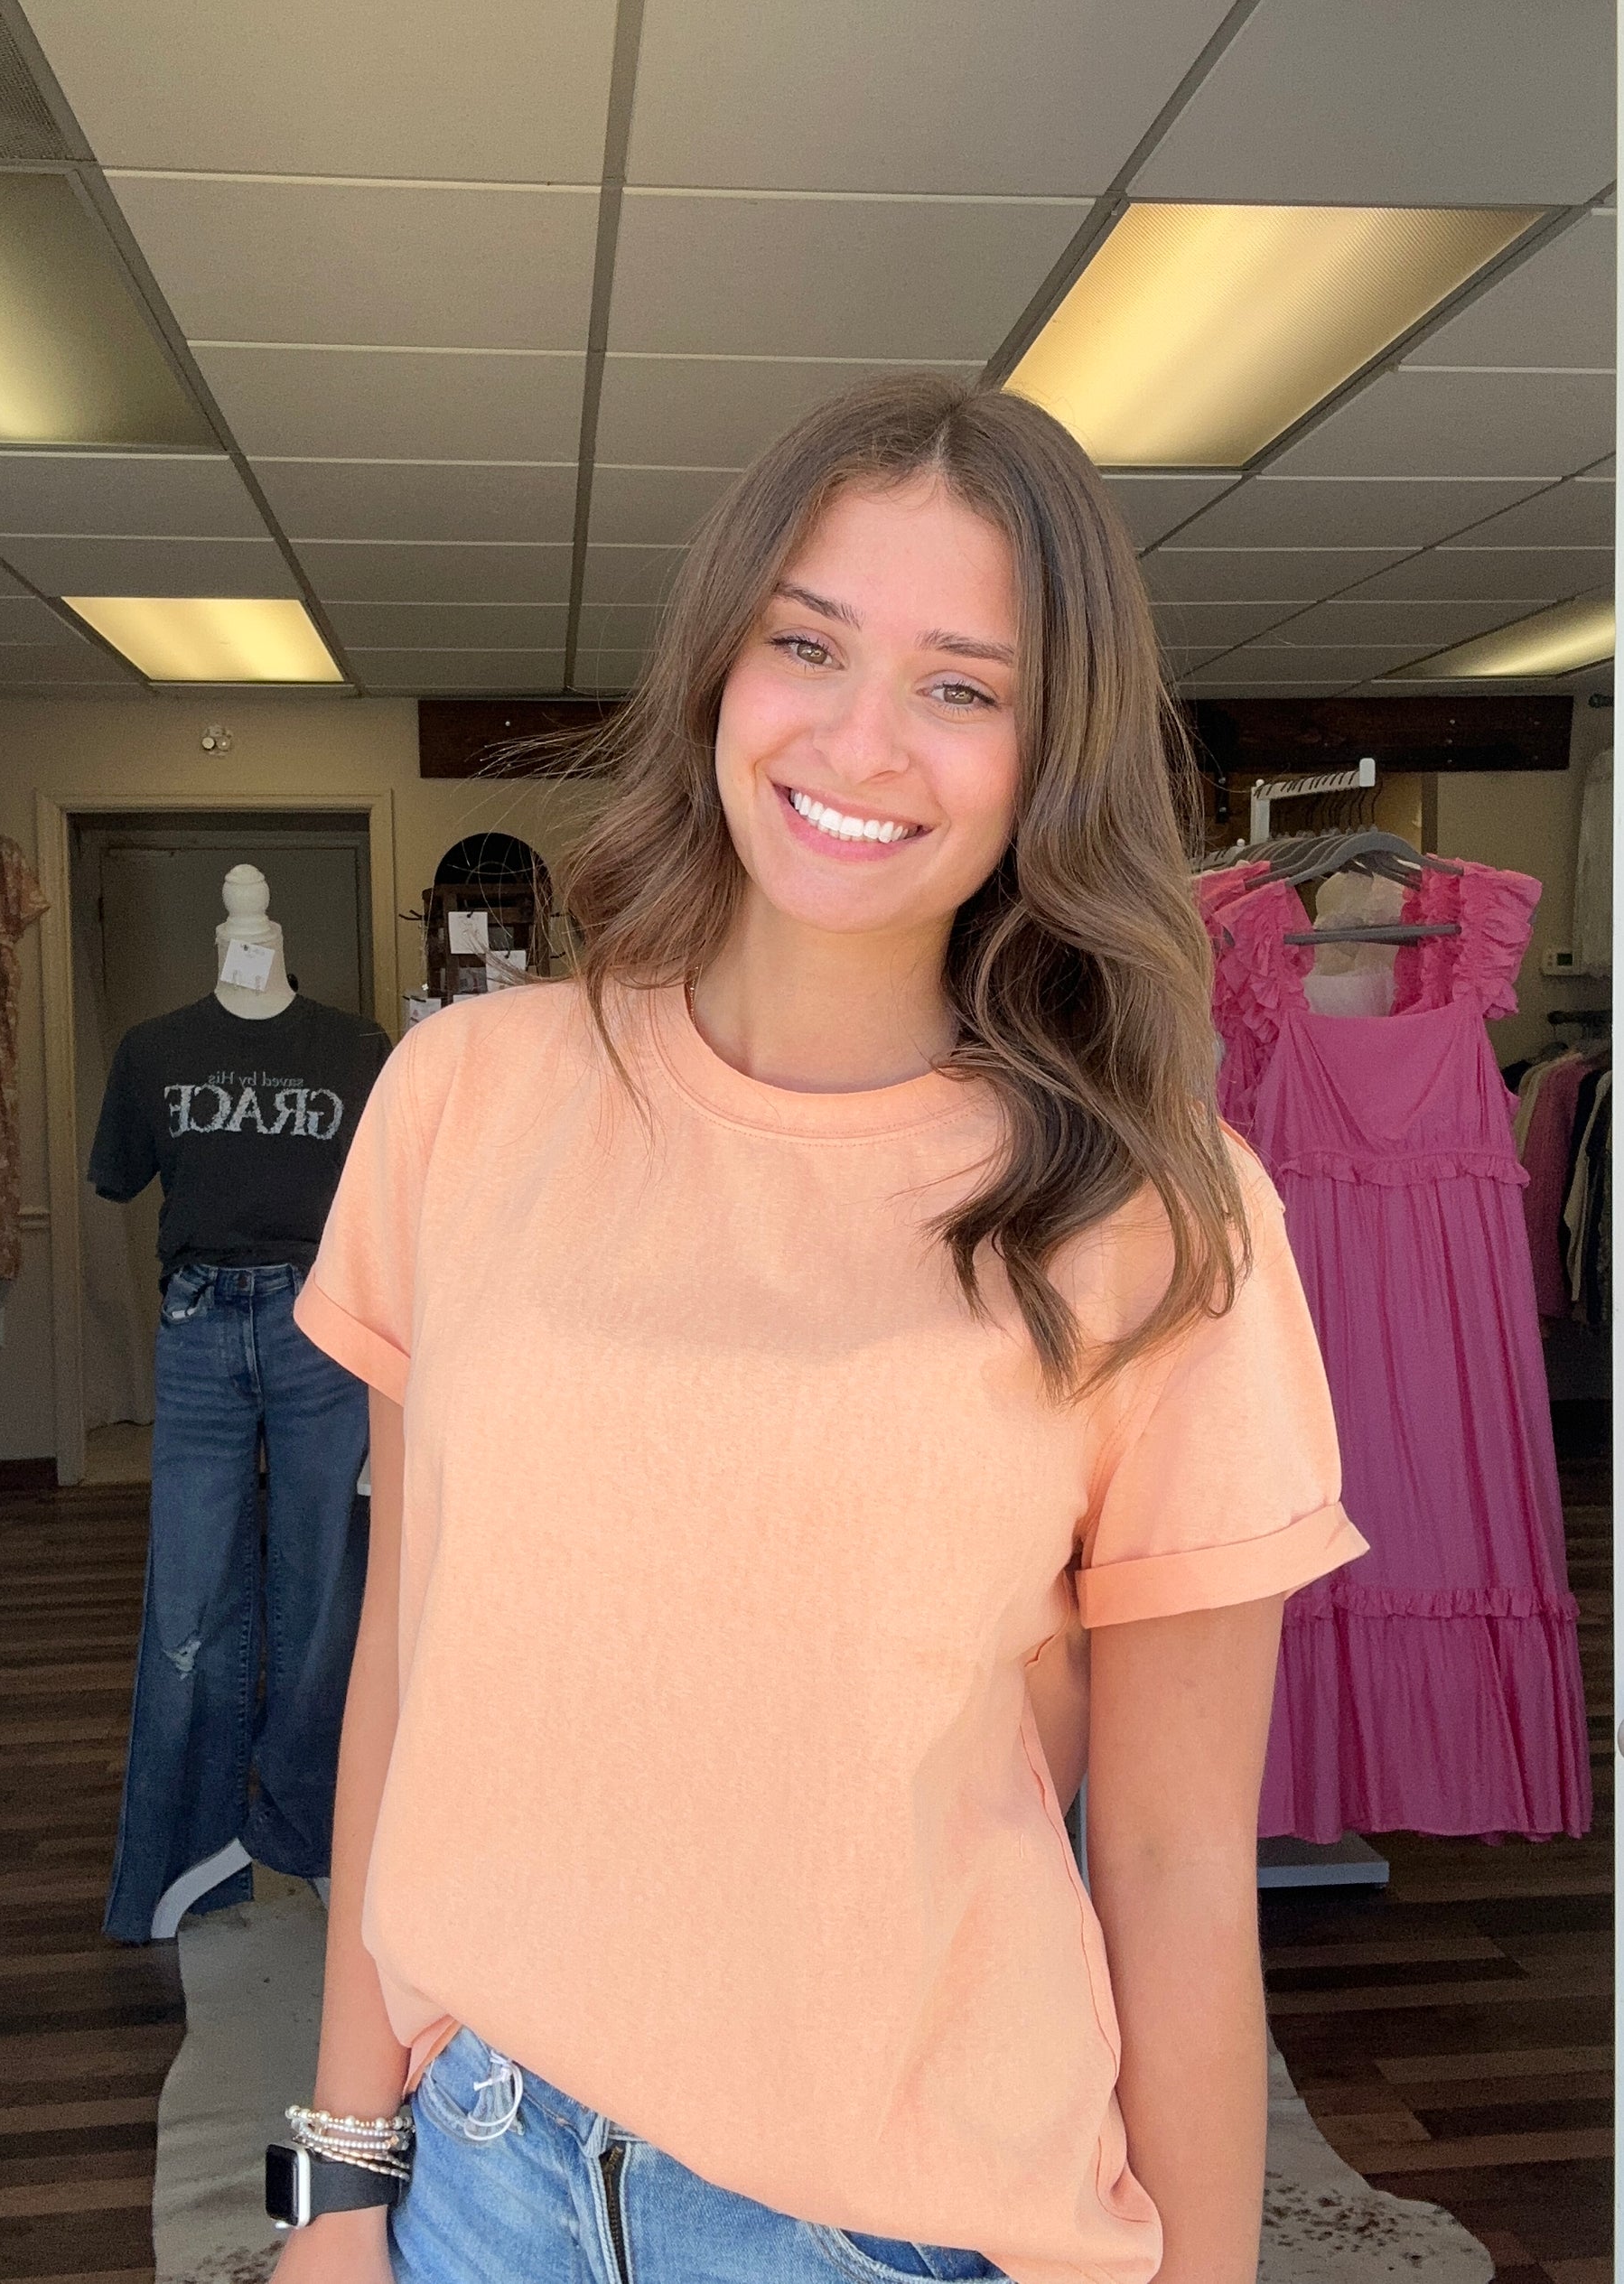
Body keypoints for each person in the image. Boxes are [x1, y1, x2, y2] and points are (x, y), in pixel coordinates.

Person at [273, 374, 1364, 2284]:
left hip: (885, 2229)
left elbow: (1178, 1863)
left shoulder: (1161, 1216)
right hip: (480, 2172)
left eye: (963, 685)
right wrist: (341, 2178)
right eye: (807, 643)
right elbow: (405, 1653)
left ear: (1049, 755)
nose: (862, 738)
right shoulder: (465, 1095)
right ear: (719, 664)